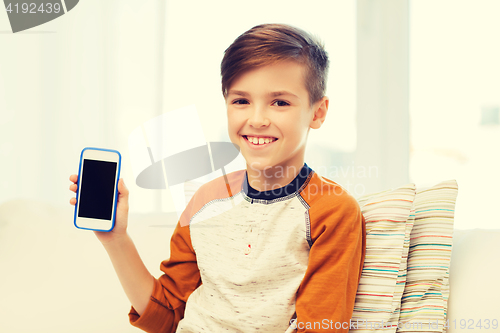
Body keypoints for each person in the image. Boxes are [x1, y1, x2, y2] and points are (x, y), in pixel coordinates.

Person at [69, 23, 366, 333]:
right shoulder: (205, 199)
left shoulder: (332, 211)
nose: (257, 119)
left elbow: (322, 327)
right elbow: (166, 316)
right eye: (241, 101)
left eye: (280, 102)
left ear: (317, 112)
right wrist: (116, 238)